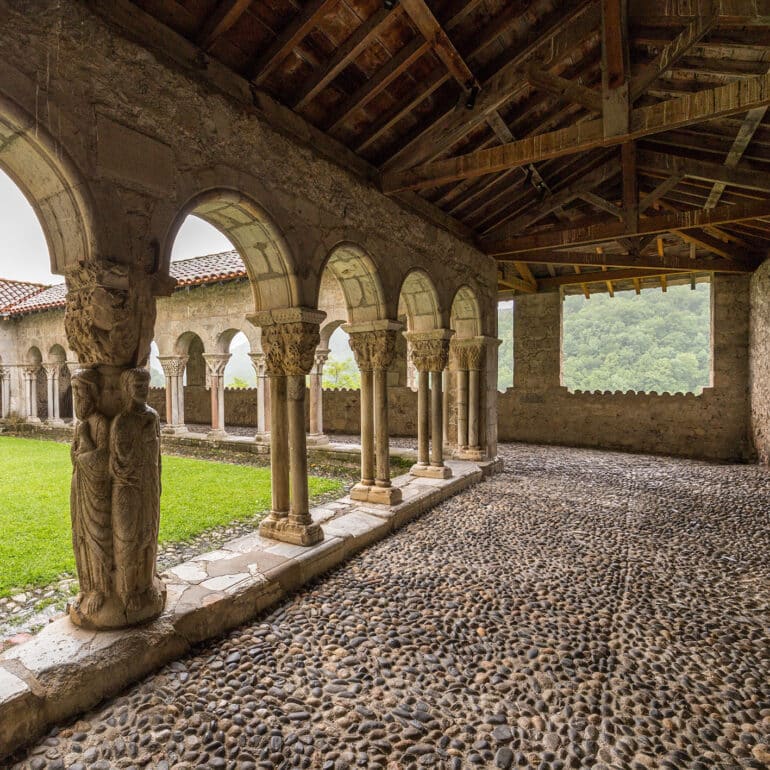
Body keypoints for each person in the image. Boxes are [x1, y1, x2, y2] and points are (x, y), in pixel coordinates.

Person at [110, 367, 163, 614]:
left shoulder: (152, 416)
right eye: (137, 386)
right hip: (128, 488)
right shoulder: (121, 421)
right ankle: (128, 590)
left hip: (149, 485)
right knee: (127, 537)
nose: (143, 390)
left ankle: (146, 582)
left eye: (145, 385)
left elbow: (157, 456)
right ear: (126, 389)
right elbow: (120, 461)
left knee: (148, 532)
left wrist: (157, 482)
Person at [70, 368, 112, 618]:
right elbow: (74, 455)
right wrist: (81, 451)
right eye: (74, 392)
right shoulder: (80, 425)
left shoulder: (100, 422)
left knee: (98, 536)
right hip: (80, 486)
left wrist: (84, 445)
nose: (76, 398)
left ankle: (102, 588)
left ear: (93, 394)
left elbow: (103, 457)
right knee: (81, 536)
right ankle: (87, 586)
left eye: (80, 392)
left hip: (96, 490)